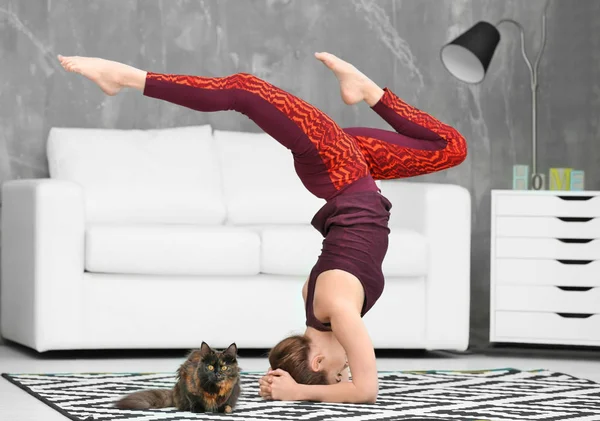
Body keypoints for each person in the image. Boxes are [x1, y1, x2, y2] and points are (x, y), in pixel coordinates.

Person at [58, 51, 467, 404]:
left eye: (337, 372)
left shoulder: (337, 310)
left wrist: (299, 390)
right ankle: (367, 91)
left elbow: (365, 391)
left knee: (244, 88)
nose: (348, 369)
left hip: (339, 171)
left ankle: (125, 77)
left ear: (318, 361)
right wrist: (292, 384)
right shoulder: (315, 301)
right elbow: (355, 381)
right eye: (344, 373)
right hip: (351, 171)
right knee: (450, 148)